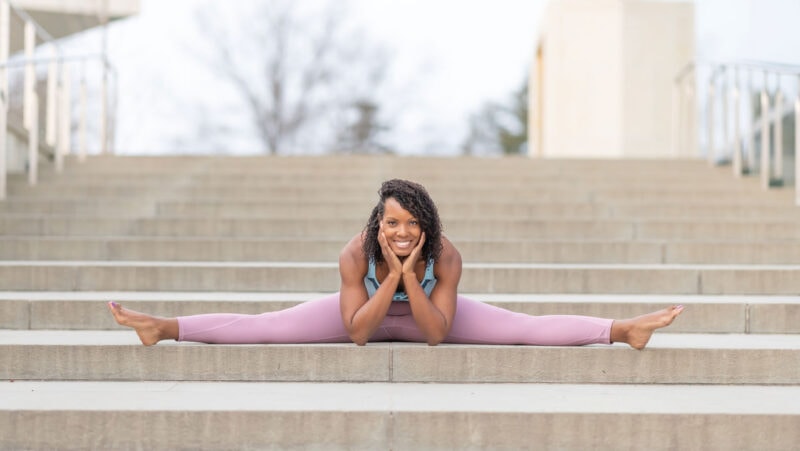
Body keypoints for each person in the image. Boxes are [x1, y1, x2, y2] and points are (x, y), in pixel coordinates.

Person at [108, 179, 684, 349]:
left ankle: (622, 330)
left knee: (522, 327)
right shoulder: (354, 254)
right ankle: (162, 327)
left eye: (412, 223)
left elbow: (435, 335)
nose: (402, 231)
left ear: (426, 226)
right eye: (392, 223)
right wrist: (387, 278)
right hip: (369, 313)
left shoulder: (447, 256)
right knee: (267, 325)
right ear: (377, 225)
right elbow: (358, 333)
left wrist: (410, 275)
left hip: (424, 314)